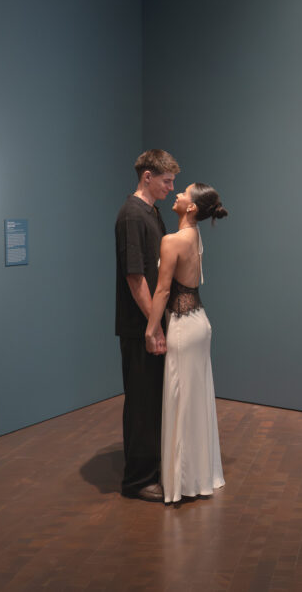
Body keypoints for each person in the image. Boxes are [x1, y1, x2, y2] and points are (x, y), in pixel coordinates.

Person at [145, 183, 228, 503]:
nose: (177, 194)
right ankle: (201, 474)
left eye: (184, 193)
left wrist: (151, 330)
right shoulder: (195, 236)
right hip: (200, 323)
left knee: (181, 402)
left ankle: (182, 482)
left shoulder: (173, 241)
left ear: (191, 207)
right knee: (197, 401)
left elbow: (163, 291)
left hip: (181, 326)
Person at [115, 149, 180, 502]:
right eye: (167, 181)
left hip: (153, 322)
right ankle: (137, 480)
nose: (171, 188)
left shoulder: (151, 213)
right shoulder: (131, 216)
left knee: (153, 401)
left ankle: (152, 469)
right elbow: (135, 276)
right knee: (141, 403)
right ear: (147, 177)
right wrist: (152, 326)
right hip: (139, 325)